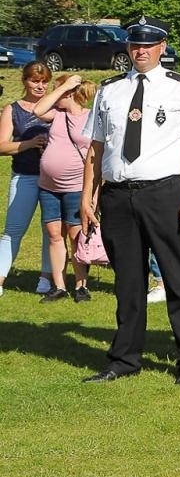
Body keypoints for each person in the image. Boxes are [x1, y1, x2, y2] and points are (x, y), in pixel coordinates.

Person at [81, 16, 180, 385]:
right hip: (119, 195)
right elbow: (95, 148)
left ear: (162, 46)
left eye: (148, 45)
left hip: (165, 192)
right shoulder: (109, 91)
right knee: (127, 281)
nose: (140, 50)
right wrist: (87, 196)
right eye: (135, 45)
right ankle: (124, 359)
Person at [34, 74, 97, 302]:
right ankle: (59, 286)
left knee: (75, 235)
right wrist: (62, 88)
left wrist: (93, 194)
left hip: (76, 187)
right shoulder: (56, 115)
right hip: (48, 187)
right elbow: (38, 110)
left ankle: (81, 286)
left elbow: (97, 156)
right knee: (53, 235)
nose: (54, 93)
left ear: (69, 94)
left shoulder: (90, 117)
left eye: (57, 90)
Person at [0, 61, 56, 296]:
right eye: (35, 80)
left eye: (44, 82)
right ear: (24, 80)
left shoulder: (56, 108)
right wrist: (29, 144)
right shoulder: (12, 109)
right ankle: (1, 279)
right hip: (24, 176)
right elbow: (2, 146)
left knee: (51, 231)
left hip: (54, 178)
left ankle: (45, 278)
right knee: (13, 229)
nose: (40, 86)